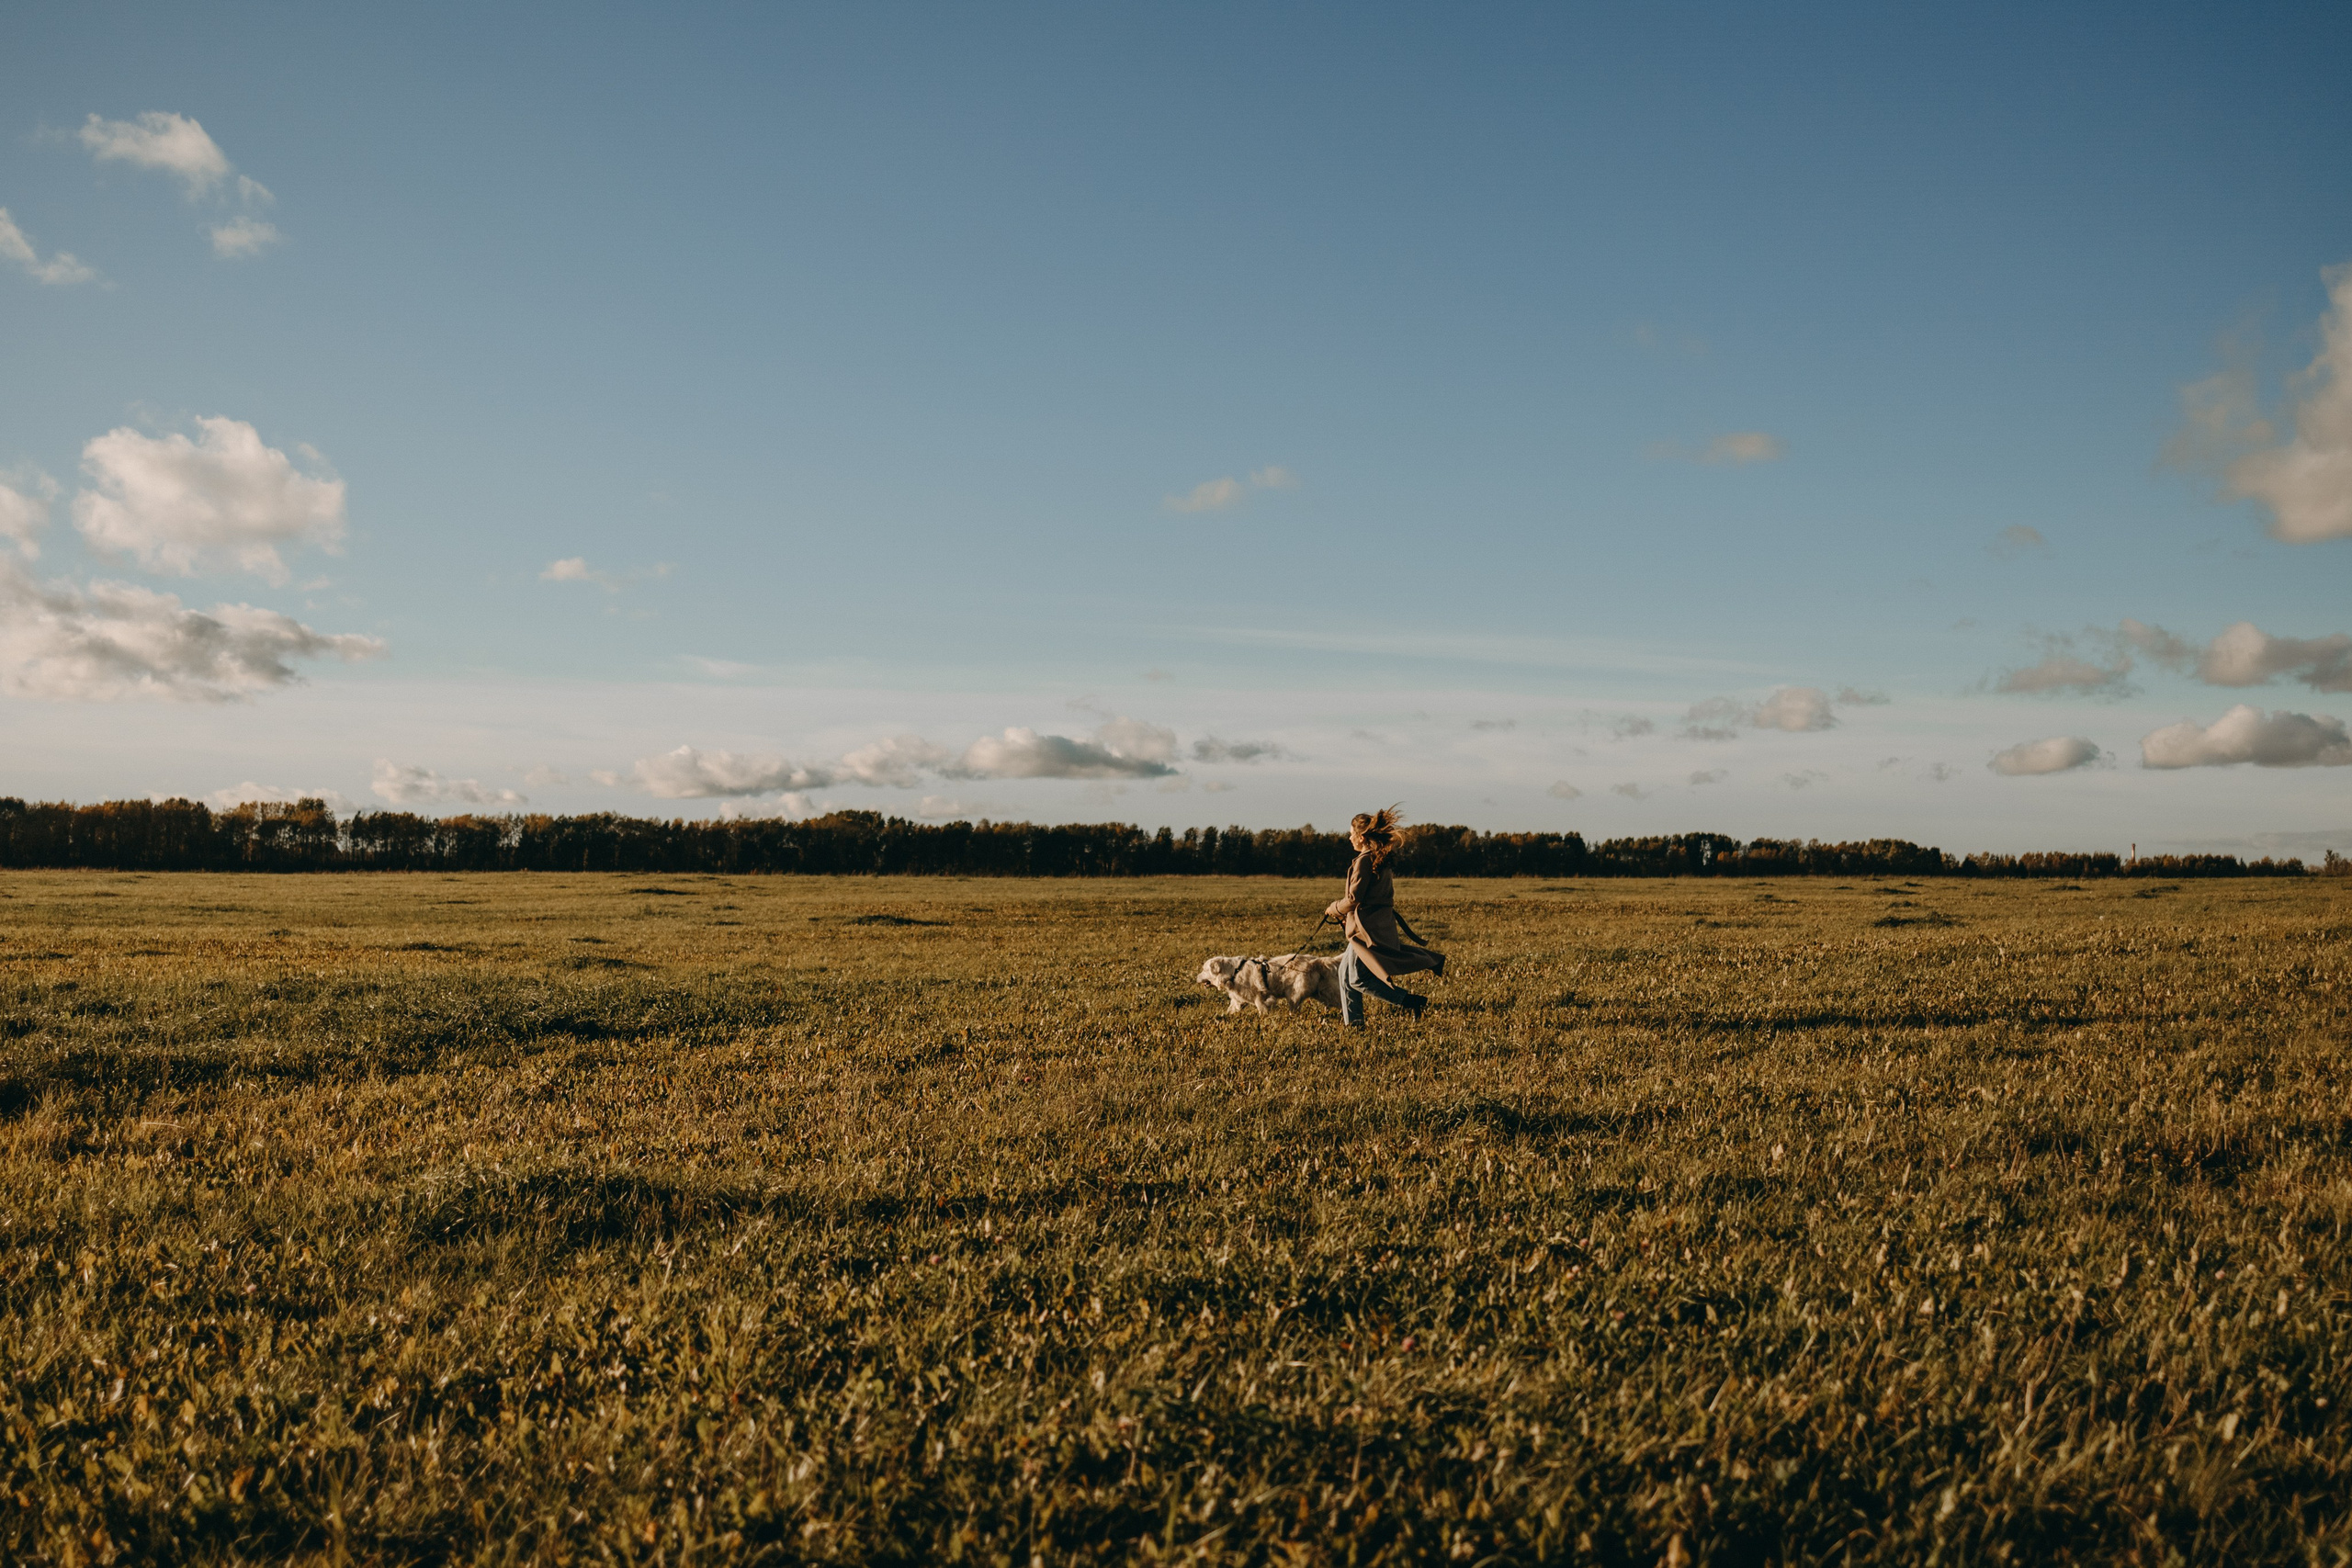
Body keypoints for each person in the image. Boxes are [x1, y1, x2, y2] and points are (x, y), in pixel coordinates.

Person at [1325, 807, 1445, 1026]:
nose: (1349, 837)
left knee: (1358, 978)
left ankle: (1410, 1001)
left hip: (1366, 929)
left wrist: (1333, 908)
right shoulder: (1379, 858)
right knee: (1344, 973)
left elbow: (1354, 899)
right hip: (1371, 925)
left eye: (1351, 833)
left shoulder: (1364, 860)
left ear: (1361, 837)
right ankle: (1354, 1024)